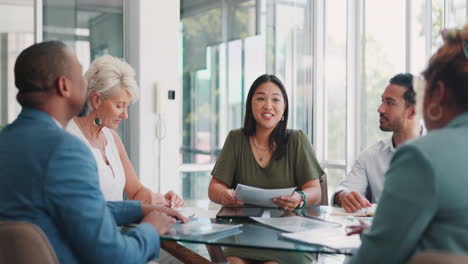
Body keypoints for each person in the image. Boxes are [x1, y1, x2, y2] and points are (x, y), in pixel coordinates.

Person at [0, 41, 187, 264]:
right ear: (64, 86)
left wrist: (141, 208)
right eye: (81, 74)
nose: (86, 84)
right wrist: (150, 228)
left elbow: (83, 210)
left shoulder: (7, 142)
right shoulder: (65, 149)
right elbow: (114, 257)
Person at [347, 25, 468, 263]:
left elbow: (373, 259)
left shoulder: (423, 157)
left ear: (439, 93)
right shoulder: (374, 154)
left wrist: (378, 241)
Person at [208, 74, 324, 264]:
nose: (268, 106)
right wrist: (224, 195)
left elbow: (315, 191)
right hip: (244, 232)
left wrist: (299, 198)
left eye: (275, 99)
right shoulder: (236, 139)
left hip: (289, 234)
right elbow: (214, 188)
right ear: (250, 104)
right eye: (261, 98)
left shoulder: (297, 140)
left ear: (284, 106)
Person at [66, 55, 184, 207]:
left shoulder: (111, 138)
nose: (125, 115)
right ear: (96, 100)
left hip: (115, 228)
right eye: (119, 106)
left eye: (126, 106)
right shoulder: (69, 139)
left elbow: (136, 192)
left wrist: (160, 200)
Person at [332, 73, 422, 212]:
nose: (380, 109)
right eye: (382, 101)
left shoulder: (442, 155)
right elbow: (345, 190)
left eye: (390, 103)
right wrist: (344, 196)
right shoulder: (370, 156)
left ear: (412, 112)